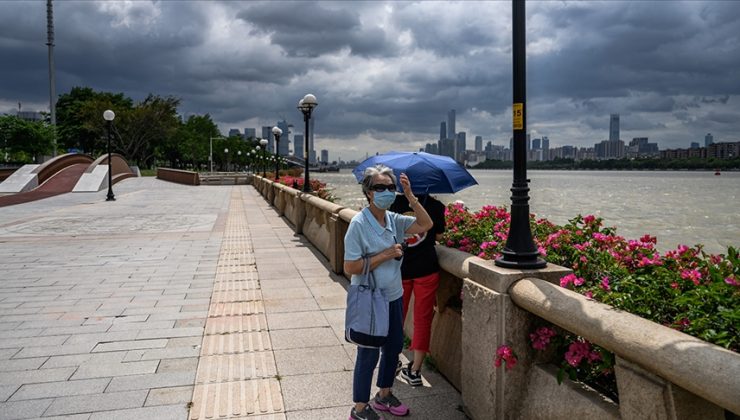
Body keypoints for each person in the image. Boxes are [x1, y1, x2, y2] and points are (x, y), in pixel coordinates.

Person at [344, 164, 433, 420]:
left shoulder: (394, 219)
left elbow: (425, 224)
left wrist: (410, 196)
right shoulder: (359, 224)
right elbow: (350, 266)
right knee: (368, 353)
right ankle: (360, 409)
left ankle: (384, 395)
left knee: (393, 348)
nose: (386, 191)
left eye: (390, 187)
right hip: (370, 299)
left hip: (394, 295)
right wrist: (385, 254)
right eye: (379, 187)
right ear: (368, 192)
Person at [390, 193, 446, 386]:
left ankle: (392, 360)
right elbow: (438, 235)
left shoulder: (395, 202)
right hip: (426, 268)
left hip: (400, 268)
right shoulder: (436, 206)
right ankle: (415, 371)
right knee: (422, 319)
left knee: (397, 315)